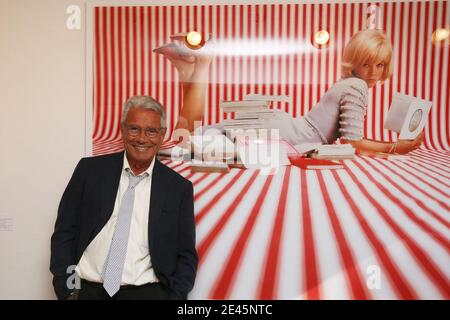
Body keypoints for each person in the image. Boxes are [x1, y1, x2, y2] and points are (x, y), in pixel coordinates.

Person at [156, 29, 423, 156]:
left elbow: (352, 137)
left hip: (290, 128)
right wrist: (393, 147)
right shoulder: (357, 86)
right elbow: (353, 142)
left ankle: (187, 71)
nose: (374, 71)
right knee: (187, 141)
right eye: (366, 63)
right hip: (292, 134)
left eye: (379, 64)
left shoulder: (349, 83)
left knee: (194, 137)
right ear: (354, 62)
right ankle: (201, 65)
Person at [50, 96, 197, 300]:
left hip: (148, 294)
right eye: (134, 129)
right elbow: (65, 232)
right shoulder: (88, 171)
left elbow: (186, 255)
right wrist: (67, 291)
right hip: (85, 292)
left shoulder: (178, 188)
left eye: (151, 131)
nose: (142, 138)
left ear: (162, 135)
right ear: (123, 129)